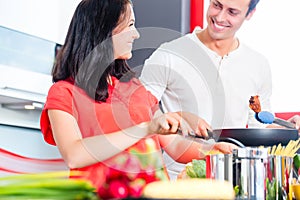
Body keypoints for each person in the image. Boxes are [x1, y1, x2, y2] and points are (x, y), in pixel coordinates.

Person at [40, 0, 236, 198]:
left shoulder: (134, 87)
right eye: (130, 25)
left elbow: (174, 146)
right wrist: (145, 128)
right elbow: (74, 155)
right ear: (104, 29)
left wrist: (211, 150)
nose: (136, 34)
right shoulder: (64, 92)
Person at [140, 0, 273, 179]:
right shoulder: (169, 54)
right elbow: (139, 113)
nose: (219, 17)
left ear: (249, 14)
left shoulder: (258, 65)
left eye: (232, 12)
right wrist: (179, 117)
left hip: (234, 179)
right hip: (179, 182)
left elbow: (260, 128)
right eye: (216, 5)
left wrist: (291, 129)